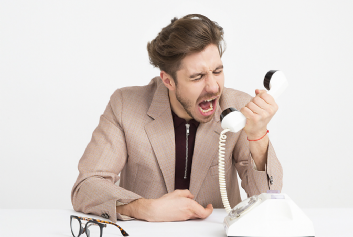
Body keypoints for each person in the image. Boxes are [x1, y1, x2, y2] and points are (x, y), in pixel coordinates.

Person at [71, 14, 283, 223]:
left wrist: (258, 136)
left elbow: (268, 199)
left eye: (217, 71)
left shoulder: (237, 107)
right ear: (168, 80)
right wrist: (144, 208)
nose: (213, 87)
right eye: (197, 77)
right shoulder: (125, 105)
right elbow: (86, 186)